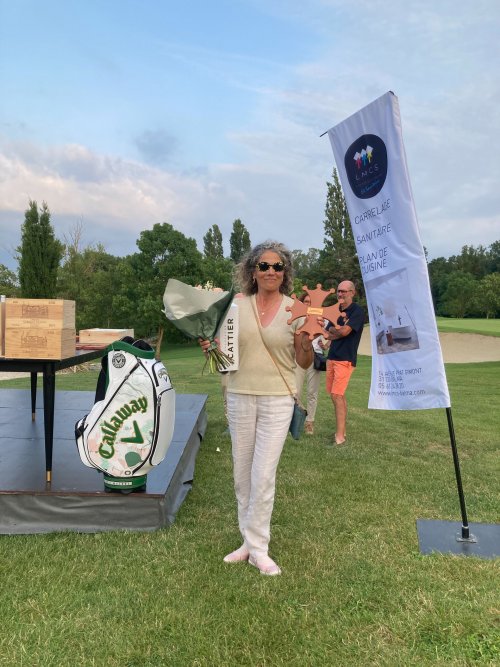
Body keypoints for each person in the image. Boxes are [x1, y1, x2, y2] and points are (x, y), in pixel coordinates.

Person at [200, 241, 312, 575]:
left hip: (278, 399)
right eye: (264, 266)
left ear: (285, 273)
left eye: (278, 266)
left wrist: (306, 344)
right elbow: (224, 352)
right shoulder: (234, 306)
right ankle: (247, 543)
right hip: (239, 395)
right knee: (242, 474)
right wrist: (210, 347)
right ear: (252, 271)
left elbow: (304, 361)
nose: (271, 271)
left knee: (262, 476)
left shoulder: (296, 310)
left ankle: (259, 549)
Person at [323, 280, 364, 446]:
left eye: (344, 291)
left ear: (352, 293)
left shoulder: (357, 311)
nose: (340, 294)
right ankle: (342, 431)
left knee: (337, 395)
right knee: (335, 394)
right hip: (332, 357)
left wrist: (335, 330)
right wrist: (334, 332)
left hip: (345, 359)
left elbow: (345, 332)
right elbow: (328, 333)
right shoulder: (336, 310)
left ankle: (339, 437)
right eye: (338, 291)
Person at [294, 292, 330, 435]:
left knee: (312, 392)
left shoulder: (321, 318)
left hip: (315, 357)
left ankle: (310, 422)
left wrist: (326, 345)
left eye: (311, 302)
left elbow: (332, 331)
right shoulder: (297, 318)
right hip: (298, 357)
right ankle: (295, 419)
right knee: (295, 391)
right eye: (306, 301)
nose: (308, 304)